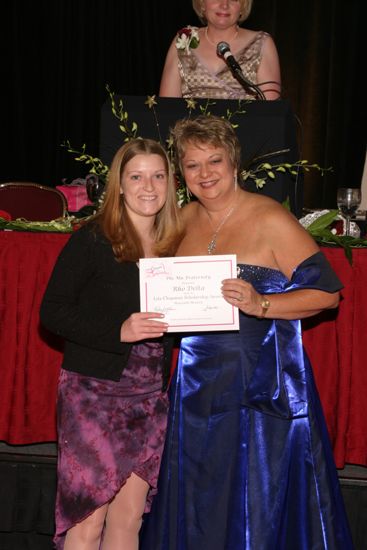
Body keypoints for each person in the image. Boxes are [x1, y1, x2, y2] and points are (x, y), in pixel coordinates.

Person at [140, 116, 354, 549]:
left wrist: (263, 304)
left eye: (214, 161)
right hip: (197, 385)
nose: (205, 174)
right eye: (194, 165)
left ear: (233, 162)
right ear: (181, 173)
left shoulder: (269, 216)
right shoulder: (180, 219)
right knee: (202, 496)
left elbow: (327, 294)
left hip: (261, 384)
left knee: (258, 497)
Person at [40, 138, 183, 550]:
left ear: (170, 183)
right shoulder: (93, 239)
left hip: (149, 399)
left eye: (158, 175)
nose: (149, 186)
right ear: (119, 185)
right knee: (87, 521)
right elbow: (53, 311)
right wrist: (117, 330)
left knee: (128, 520)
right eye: (136, 176)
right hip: (93, 394)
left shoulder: (177, 247)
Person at [159, 0, 281, 100]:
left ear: (243, 6)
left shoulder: (261, 44)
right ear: (202, 3)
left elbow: (271, 115)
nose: (225, 5)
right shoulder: (184, 41)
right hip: (191, 130)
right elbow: (166, 111)